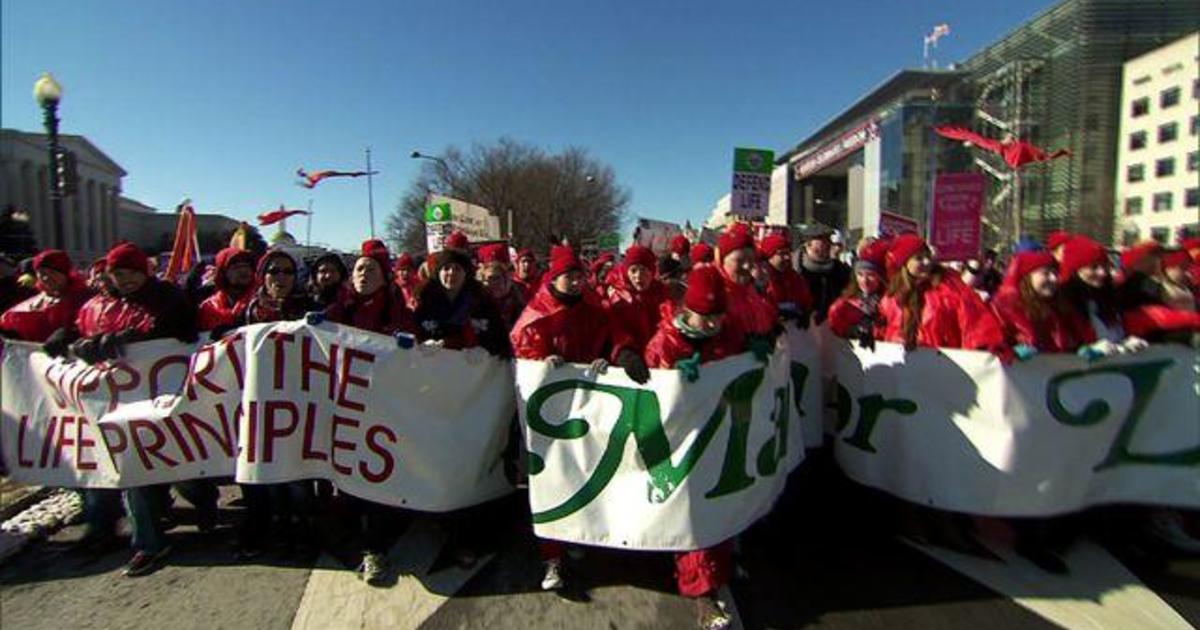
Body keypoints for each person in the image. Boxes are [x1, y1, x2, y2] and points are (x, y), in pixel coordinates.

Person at [43, 242, 202, 577]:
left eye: (131, 272)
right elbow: (83, 329)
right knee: (125, 469)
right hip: (112, 404)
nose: (126, 279)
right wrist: (67, 337)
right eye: (119, 274)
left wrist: (131, 339)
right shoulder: (99, 303)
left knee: (184, 466)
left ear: (144, 271)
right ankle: (143, 542)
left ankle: (202, 501)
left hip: (162, 399)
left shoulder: (168, 297)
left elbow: (181, 330)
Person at [510, 245, 636, 591]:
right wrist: (542, 361)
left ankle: (578, 534)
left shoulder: (594, 307)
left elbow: (612, 337)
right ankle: (552, 555)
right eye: (570, 276)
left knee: (583, 469)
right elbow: (523, 346)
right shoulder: (538, 311)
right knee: (551, 474)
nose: (577, 282)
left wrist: (612, 357)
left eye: (580, 275)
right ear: (555, 278)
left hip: (587, 404)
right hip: (552, 410)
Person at [643, 266, 744, 630]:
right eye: (706, 317)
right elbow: (651, 388)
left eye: (719, 316)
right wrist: (670, 375)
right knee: (692, 514)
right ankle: (701, 591)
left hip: (719, 437)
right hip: (681, 444)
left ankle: (721, 564)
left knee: (719, 502)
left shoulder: (730, 334)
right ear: (689, 311)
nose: (714, 324)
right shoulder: (666, 341)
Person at [325, 239, 416, 584]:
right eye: (359, 268)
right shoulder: (337, 309)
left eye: (371, 269)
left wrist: (412, 344)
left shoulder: (398, 312)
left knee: (376, 479)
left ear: (385, 276)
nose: (363, 274)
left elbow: (415, 356)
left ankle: (375, 548)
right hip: (344, 407)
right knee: (346, 482)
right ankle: (353, 539)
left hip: (383, 410)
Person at [233, 248, 320, 559]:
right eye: (274, 272)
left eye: (286, 271)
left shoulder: (308, 306)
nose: (280, 278)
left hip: (300, 402)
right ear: (263, 277)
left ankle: (306, 529)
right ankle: (278, 527)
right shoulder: (250, 310)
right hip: (263, 404)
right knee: (270, 472)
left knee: (299, 474)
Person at [878, 234, 1008, 355]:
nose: (927, 262)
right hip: (903, 368)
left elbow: (974, 319)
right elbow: (884, 330)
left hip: (943, 367)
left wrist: (986, 345)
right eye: (919, 258)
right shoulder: (891, 297)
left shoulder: (949, 287)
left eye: (927, 256)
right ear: (904, 264)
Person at [0, 250, 91, 342]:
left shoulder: (83, 299)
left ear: (65, 273)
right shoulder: (34, 302)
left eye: (52, 273)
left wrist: (72, 334)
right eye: (42, 273)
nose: (46, 278)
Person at [605, 245, 668, 378]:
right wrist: (624, 353)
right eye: (633, 270)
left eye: (644, 270)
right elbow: (615, 331)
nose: (638, 276)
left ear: (652, 271)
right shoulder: (617, 298)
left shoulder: (663, 294)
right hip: (630, 367)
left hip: (661, 364)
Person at [715, 224, 778, 343]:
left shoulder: (752, 290)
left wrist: (772, 327)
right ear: (722, 261)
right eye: (739, 260)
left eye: (751, 260)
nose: (747, 266)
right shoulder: (714, 295)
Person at [828, 239, 889, 346]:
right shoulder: (843, 305)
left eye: (870, 275)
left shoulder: (890, 302)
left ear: (881, 277)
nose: (865, 281)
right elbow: (834, 335)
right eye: (860, 275)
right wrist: (852, 331)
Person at [798, 226, 852, 325]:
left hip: (832, 328)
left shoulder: (840, 270)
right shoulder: (796, 270)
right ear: (808, 243)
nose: (827, 244)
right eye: (822, 240)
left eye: (828, 239)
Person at [197, 247, 256, 335]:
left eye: (247, 265)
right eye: (236, 267)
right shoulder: (208, 308)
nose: (243, 270)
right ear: (223, 272)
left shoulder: (261, 302)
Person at [758, 234, 813, 327]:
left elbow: (806, 298)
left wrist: (805, 311)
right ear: (770, 256)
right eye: (781, 254)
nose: (787, 257)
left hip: (793, 333)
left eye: (788, 253)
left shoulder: (794, 277)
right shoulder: (762, 278)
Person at [477, 244, 526, 330]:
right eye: (492, 278)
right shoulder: (475, 304)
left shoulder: (522, 297)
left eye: (506, 275)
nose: (499, 283)